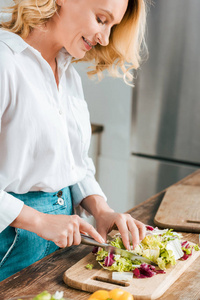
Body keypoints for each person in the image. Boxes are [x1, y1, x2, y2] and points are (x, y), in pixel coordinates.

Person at [0, 0, 147, 281]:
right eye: (101, 20)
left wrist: (100, 209)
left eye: (112, 27)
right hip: (12, 243)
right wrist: (40, 220)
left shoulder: (67, 73)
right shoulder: (5, 60)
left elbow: (72, 163)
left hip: (62, 239)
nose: (104, 38)